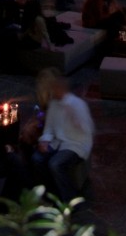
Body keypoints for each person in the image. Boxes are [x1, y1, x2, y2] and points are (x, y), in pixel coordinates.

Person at [33, 73, 94, 203]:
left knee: (55, 164)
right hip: (58, 142)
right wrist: (44, 140)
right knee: (37, 159)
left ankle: (72, 199)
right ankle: (51, 193)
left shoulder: (77, 104)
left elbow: (87, 130)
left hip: (76, 144)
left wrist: (76, 120)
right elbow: (49, 128)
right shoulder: (54, 105)